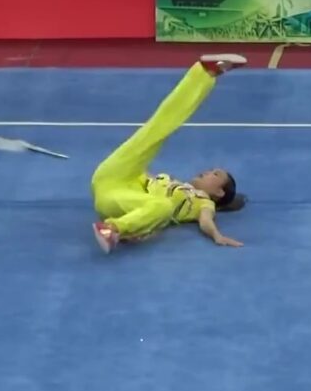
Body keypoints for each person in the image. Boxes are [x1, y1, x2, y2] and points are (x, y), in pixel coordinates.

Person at [91, 54, 248, 254]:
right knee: (157, 130)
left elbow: (206, 222)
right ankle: (204, 72)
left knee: (163, 207)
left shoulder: (202, 202)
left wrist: (217, 235)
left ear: (219, 192)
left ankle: (113, 229)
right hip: (116, 178)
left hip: (119, 200)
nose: (208, 172)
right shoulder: (173, 182)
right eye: (211, 170)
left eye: (215, 174)